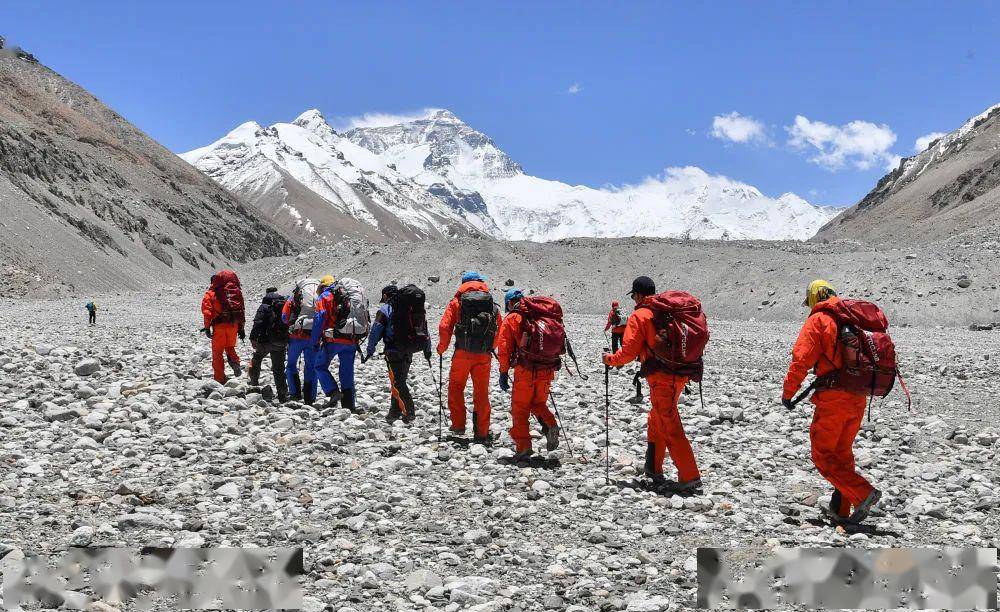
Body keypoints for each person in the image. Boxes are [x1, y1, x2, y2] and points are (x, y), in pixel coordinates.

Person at [782, 279, 882, 524]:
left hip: (833, 399)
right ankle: (841, 510)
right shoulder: (853, 319)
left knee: (823, 456)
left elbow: (801, 360)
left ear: (815, 298)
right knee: (842, 454)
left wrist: (788, 393)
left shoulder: (819, 319)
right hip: (858, 397)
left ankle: (863, 493)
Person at [603, 276, 701, 492]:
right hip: (679, 374)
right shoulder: (664, 313)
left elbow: (628, 352)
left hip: (661, 377)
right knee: (656, 418)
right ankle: (653, 469)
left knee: (668, 423)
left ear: (637, 295)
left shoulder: (641, 315)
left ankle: (690, 476)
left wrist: (610, 359)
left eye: (634, 296)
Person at [496, 288, 560, 462]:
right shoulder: (541, 315)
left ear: (510, 303)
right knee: (538, 403)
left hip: (525, 371)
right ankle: (551, 424)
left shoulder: (512, 318)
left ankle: (523, 448)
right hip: (547, 368)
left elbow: (504, 348)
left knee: (520, 408)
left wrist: (503, 372)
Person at [437, 271, 500, 443]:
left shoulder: (457, 302)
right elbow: (499, 330)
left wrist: (442, 348)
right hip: (484, 356)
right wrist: (489, 347)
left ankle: (458, 425)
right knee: (481, 393)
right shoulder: (491, 304)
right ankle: (482, 432)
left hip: (462, 354)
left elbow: (444, 327)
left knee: (456, 388)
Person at [367, 285, 432, 424]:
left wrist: (370, 349)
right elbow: (424, 328)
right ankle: (394, 411)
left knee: (398, 382)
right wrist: (427, 349)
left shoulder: (386, 309)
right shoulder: (412, 308)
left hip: (393, 350)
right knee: (399, 379)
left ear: (385, 296)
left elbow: (376, 330)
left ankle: (409, 412)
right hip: (410, 348)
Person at [312, 275, 360, 412]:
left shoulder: (325, 296)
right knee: (347, 373)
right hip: (351, 339)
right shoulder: (348, 295)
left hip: (333, 340)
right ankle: (349, 407)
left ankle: (333, 392)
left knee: (319, 366)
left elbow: (319, 318)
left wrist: (314, 340)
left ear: (322, 286)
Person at [200, 271, 245, 384]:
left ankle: (219, 378)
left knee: (217, 352)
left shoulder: (210, 294)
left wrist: (207, 327)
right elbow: (241, 310)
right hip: (233, 325)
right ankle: (235, 362)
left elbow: (207, 312)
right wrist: (241, 328)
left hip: (219, 327)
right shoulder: (234, 292)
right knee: (230, 347)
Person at [283, 278, 321, 405]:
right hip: (313, 337)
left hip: (296, 337)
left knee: (291, 365)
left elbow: (284, 317)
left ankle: (295, 394)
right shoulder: (320, 296)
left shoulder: (294, 297)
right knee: (311, 367)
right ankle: (310, 398)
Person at [248, 287, 290, 402]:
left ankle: (254, 384)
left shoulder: (264, 306)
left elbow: (258, 322)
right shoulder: (284, 305)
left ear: (267, 294)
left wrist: (253, 338)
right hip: (280, 342)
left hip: (265, 342)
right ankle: (282, 394)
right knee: (279, 368)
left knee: (256, 359)